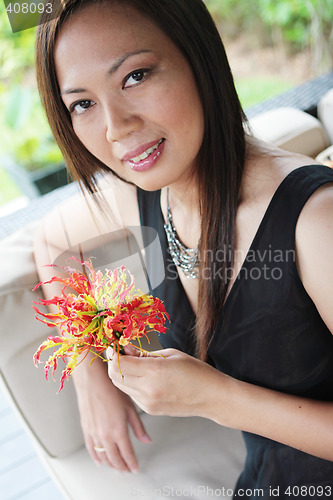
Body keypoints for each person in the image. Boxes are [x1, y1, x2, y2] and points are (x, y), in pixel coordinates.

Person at [34, 0, 333, 497]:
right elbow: (51, 241)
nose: (116, 127)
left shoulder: (315, 220)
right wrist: (91, 377)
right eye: (82, 103)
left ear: (199, 55)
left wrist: (217, 399)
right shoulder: (150, 190)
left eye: (135, 76)